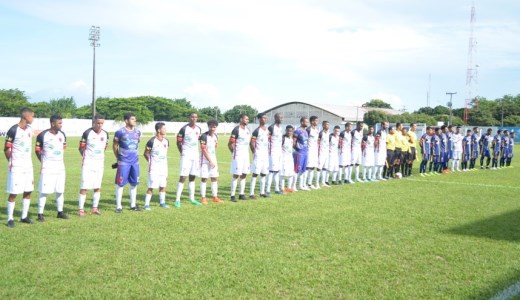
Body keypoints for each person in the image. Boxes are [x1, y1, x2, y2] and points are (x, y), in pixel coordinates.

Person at [4, 107, 36, 227]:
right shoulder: (13, 130)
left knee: (28, 191)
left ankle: (24, 216)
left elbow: (35, 133)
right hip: (16, 166)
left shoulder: (29, 129)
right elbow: (6, 148)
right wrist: (12, 161)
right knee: (14, 192)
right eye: (32, 116)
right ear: (25, 117)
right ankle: (10, 219)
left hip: (28, 166)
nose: (33, 118)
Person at [36, 114, 68, 221]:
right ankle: (40, 214)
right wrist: (43, 161)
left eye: (61, 123)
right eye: (59, 123)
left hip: (60, 167)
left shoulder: (62, 134)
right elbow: (37, 150)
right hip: (47, 167)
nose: (61, 125)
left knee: (60, 190)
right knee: (44, 190)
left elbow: (63, 148)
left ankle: (60, 212)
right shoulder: (43, 135)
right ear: (52, 123)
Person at [78, 114, 109, 217]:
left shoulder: (105, 134)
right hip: (88, 163)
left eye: (102, 123)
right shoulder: (87, 133)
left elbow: (104, 148)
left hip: (99, 163)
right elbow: (81, 148)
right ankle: (81, 209)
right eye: (98, 123)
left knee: (97, 186)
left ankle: (94, 208)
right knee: (84, 187)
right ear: (94, 122)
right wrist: (87, 157)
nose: (100, 125)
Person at [113, 112, 142, 213]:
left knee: (134, 183)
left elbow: (137, 143)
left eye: (135, 119)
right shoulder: (119, 132)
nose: (135, 121)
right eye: (132, 119)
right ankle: (118, 206)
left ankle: (133, 205)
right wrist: (118, 158)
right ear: (126, 121)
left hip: (135, 162)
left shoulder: (138, 132)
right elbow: (115, 146)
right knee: (120, 184)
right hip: (124, 162)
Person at [175, 112, 202, 207]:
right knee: (183, 176)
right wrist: (182, 152)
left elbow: (199, 140)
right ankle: (177, 200)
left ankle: (192, 199)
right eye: (192, 117)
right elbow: (178, 142)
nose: (194, 118)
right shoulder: (184, 129)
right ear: (189, 118)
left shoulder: (198, 129)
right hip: (186, 155)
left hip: (195, 155)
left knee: (192, 176)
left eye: (195, 117)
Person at [143, 122, 170, 210]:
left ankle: (162, 202)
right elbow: (146, 153)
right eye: (164, 128)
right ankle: (146, 204)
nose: (166, 130)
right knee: (151, 186)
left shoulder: (166, 141)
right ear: (159, 130)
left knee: (163, 185)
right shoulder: (151, 141)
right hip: (154, 168)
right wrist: (151, 161)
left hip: (164, 168)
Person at [199, 119, 223, 204]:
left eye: (214, 126)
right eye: (211, 126)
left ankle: (215, 197)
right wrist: (210, 161)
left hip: (213, 159)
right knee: (204, 178)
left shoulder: (215, 136)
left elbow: (215, 146)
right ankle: (203, 198)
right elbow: (204, 150)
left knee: (214, 178)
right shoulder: (204, 136)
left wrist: (213, 161)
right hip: (205, 161)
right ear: (208, 126)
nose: (213, 128)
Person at [229, 114, 252, 202]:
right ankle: (232, 195)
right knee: (236, 174)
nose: (247, 120)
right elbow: (230, 144)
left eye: (248, 119)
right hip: (238, 155)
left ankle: (241, 194)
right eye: (246, 119)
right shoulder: (236, 130)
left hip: (246, 155)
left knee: (244, 174)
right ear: (241, 119)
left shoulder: (248, 130)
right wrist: (234, 153)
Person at [250, 113, 270, 198]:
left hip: (265, 155)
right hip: (258, 155)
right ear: (259, 119)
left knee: (264, 173)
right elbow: (251, 143)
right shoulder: (256, 131)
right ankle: (251, 193)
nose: (265, 119)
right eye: (263, 118)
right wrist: (255, 152)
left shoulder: (267, 130)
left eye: (266, 118)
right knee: (255, 173)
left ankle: (262, 192)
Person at [266, 113, 284, 196]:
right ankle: (267, 190)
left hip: (279, 152)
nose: (281, 118)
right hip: (272, 152)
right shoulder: (271, 127)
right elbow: (267, 139)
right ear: (275, 118)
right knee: (271, 171)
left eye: (282, 117)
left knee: (277, 171)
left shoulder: (281, 128)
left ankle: (277, 189)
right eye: (279, 117)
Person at [293, 117, 310, 191]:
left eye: (307, 122)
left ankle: (301, 185)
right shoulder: (297, 131)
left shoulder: (306, 131)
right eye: (306, 122)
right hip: (299, 153)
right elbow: (293, 141)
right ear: (302, 122)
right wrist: (297, 150)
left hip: (305, 152)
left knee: (303, 169)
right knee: (296, 170)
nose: (307, 123)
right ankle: (293, 186)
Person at [306, 116, 320, 189]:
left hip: (315, 151)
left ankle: (309, 183)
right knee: (308, 167)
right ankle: (305, 184)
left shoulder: (317, 129)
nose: (317, 122)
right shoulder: (308, 129)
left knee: (313, 167)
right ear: (312, 122)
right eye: (316, 121)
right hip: (309, 150)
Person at [280, 125, 296, 193]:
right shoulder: (283, 138)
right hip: (283, 158)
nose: (290, 132)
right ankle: (282, 188)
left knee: (291, 173)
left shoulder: (291, 139)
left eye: (291, 131)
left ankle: (289, 188)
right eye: (288, 131)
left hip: (290, 158)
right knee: (283, 173)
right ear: (286, 131)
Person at [317, 121, 331, 188]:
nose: (327, 126)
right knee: (319, 168)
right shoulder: (321, 133)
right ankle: (317, 183)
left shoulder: (329, 133)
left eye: (328, 125)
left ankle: (323, 182)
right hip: (321, 152)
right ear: (323, 125)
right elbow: (318, 143)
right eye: (326, 125)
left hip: (327, 153)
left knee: (325, 168)